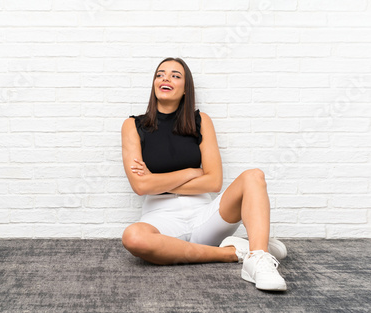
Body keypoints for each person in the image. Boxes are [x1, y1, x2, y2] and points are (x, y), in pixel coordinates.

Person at [121, 57, 288, 291]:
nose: (166, 78)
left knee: (254, 176)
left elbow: (214, 182)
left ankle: (258, 258)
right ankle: (232, 253)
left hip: (204, 215)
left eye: (175, 75)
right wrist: (192, 172)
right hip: (160, 218)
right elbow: (140, 187)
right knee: (133, 237)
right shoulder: (133, 126)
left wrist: (155, 181)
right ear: (154, 84)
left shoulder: (201, 121)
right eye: (160, 74)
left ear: (186, 89)